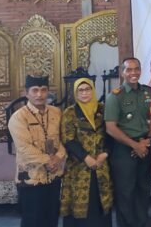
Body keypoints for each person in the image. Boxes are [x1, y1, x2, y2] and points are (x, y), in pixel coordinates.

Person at [8, 75, 66, 227]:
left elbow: (65, 138)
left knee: (52, 218)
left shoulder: (56, 112)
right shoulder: (18, 117)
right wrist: (48, 161)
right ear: (26, 93)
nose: (39, 94)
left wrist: (58, 158)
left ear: (48, 92)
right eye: (35, 90)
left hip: (54, 175)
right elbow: (24, 148)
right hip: (31, 177)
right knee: (33, 220)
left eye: (43, 90)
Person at [104, 58, 151, 227]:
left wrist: (147, 140)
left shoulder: (148, 92)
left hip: (144, 146)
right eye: (129, 69)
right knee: (125, 193)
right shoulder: (115, 96)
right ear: (123, 72)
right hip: (124, 150)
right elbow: (111, 128)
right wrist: (135, 145)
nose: (133, 73)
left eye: (136, 69)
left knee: (143, 190)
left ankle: (141, 223)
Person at [60, 78, 112, 227]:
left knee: (100, 202)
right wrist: (86, 157)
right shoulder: (70, 112)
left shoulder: (103, 109)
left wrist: (105, 154)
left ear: (93, 90)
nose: (84, 93)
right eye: (80, 90)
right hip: (79, 166)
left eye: (87, 89)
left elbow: (111, 134)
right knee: (80, 203)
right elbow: (68, 139)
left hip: (101, 164)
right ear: (75, 93)